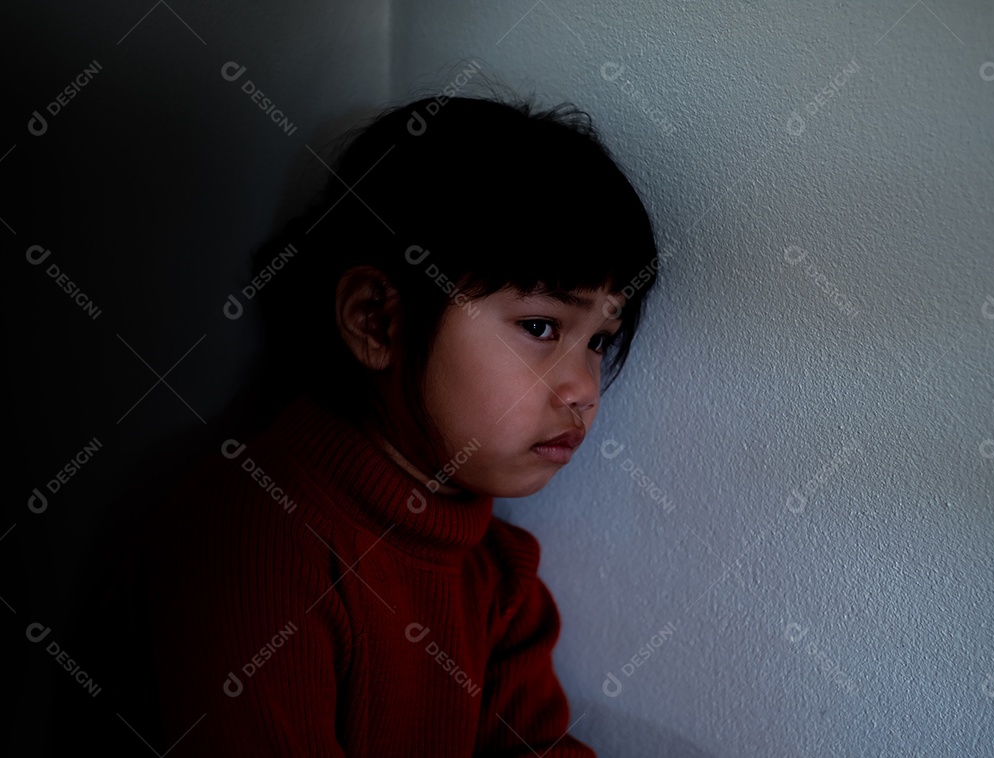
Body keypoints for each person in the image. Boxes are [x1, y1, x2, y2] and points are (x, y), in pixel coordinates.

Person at [53, 93, 660, 756]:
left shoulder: (500, 577)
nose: (582, 389)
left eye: (599, 341)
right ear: (377, 319)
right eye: (540, 327)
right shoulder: (254, 534)